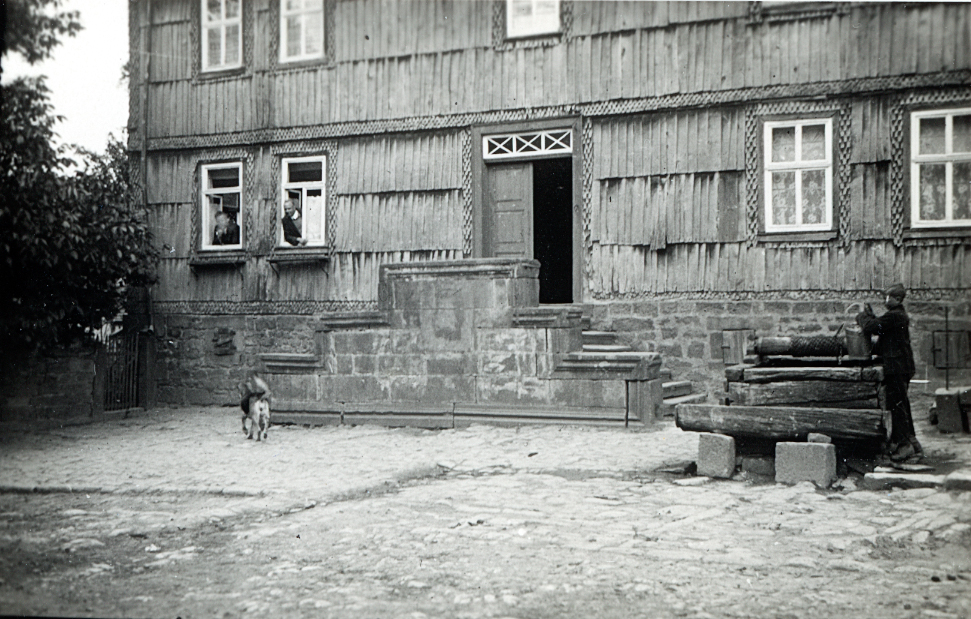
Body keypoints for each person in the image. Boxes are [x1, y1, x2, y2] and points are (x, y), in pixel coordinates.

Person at [856, 283, 922, 462]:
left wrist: (862, 316)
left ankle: (904, 447)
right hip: (900, 367)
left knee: (897, 407)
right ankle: (912, 443)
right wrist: (870, 317)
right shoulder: (895, 316)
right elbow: (880, 326)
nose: (885, 301)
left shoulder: (896, 316)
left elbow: (872, 327)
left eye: (888, 297)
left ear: (898, 299)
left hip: (897, 368)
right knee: (902, 405)